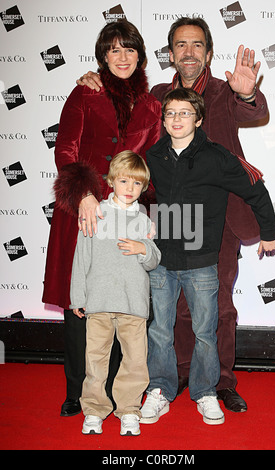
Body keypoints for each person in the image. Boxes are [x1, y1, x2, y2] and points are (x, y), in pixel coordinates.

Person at [76, 17, 269, 413]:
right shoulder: (158, 95)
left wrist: (247, 95)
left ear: (209, 53)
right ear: (170, 54)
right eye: (180, 45)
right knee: (171, 309)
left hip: (220, 219)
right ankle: (179, 377)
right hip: (168, 220)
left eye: (197, 45)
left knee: (219, 307)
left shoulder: (223, 90)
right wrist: (93, 80)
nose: (189, 52)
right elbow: (123, 122)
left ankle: (220, 383)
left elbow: (250, 112)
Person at [42, 20, 161, 418]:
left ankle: (113, 391)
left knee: (122, 300)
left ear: (140, 56)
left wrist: (151, 215)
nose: (122, 57)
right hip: (86, 213)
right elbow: (65, 150)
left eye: (129, 49)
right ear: (102, 57)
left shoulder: (151, 105)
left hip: (128, 216)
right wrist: (86, 194)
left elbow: (154, 165)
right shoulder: (84, 92)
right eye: (114, 50)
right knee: (83, 302)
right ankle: (77, 392)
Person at [140, 88, 275, 426]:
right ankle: (159, 389)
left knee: (205, 331)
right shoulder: (153, 155)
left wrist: (269, 232)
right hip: (161, 260)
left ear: (199, 119)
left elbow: (255, 188)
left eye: (185, 113)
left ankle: (204, 392)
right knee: (159, 330)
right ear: (163, 119)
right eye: (170, 113)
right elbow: (133, 192)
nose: (176, 119)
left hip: (202, 261)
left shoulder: (218, 156)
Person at [69, 151, 161, 436]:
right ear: (110, 181)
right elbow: (81, 256)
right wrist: (77, 297)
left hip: (133, 304)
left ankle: (129, 410)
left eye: (136, 184)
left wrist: (143, 248)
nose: (130, 189)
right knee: (95, 360)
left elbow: (154, 259)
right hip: (98, 302)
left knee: (135, 361)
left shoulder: (145, 220)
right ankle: (94, 411)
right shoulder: (96, 213)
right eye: (124, 181)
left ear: (143, 187)